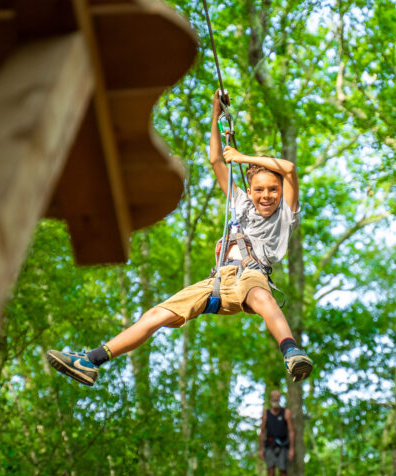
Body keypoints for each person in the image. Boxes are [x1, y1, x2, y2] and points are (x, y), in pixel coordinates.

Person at [45, 91, 313, 386]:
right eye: (259, 189)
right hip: (218, 282)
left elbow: (288, 169)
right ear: (249, 191)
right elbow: (214, 160)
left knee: (262, 297)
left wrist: (241, 157)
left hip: (252, 274)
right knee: (157, 314)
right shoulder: (239, 202)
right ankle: (91, 360)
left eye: (273, 190)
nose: (266, 196)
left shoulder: (285, 214)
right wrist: (215, 112)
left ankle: (291, 351)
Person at [260, 389, 295, 476]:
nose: (275, 398)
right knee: (270, 475)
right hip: (269, 447)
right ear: (270, 398)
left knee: (283, 475)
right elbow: (262, 432)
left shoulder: (286, 413)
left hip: (283, 447)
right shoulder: (266, 414)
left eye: (277, 396)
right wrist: (261, 449)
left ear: (280, 398)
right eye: (273, 396)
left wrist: (291, 449)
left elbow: (291, 431)